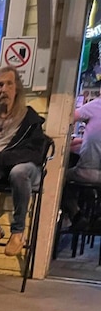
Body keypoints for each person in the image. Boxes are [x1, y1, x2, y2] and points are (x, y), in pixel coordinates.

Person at [0, 66, 46, 256]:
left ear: (17, 89)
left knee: (18, 171)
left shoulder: (30, 119)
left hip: (23, 167)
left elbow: (35, 154)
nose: (3, 89)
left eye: (8, 84)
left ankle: (18, 232)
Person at [61, 95, 101, 225]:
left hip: (87, 173)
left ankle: (75, 213)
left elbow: (68, 118)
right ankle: (94, 215)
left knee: (60, 177)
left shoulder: (96, 105)